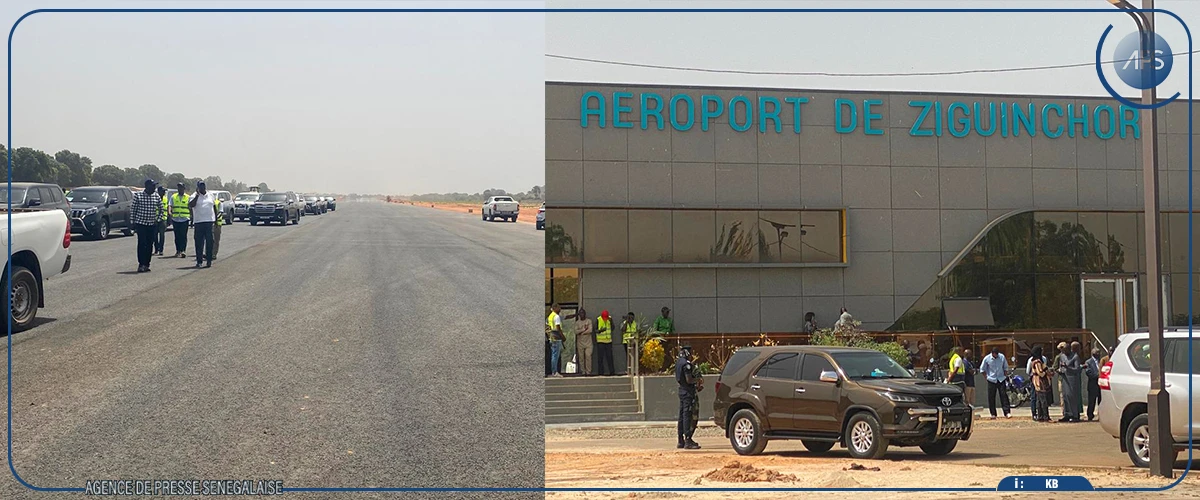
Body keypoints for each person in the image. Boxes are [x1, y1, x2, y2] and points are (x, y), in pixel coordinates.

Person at [129, 179, 162, 273]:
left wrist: (158, 219)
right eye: (153, 186)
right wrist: (132, 222)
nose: (154, 188)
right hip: (141, 224)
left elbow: (161, 209)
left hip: (152, 224)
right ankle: (141, 264)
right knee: (142, 244)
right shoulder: (138, 195)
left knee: (149, 244)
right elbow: (133, 209)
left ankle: (147, 264)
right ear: (147, 186)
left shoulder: (156, 196)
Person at [675, 344, 701, 450]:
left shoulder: (678, 363)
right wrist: (698, 380)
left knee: (681, 415)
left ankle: (680, 440)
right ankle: (688, 440)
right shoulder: (686, 364)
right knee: (687, 415)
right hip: (687, 392)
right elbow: (689, 380)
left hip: (681, 390)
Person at [188, 181, 218, 268]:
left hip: (209, 222)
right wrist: (197, 196)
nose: (202, 187)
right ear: (197, 187)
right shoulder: (193, 196)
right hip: (199, 222)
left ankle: (209, 260)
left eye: (203, 185)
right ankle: (199, 261)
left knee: (210, 242)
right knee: (199, 243)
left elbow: (214, 207)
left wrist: (216, 219)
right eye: (200, 186)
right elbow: (191, 205)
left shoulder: (210, 195)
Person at [980, 347, 1012, 419]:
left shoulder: (1002, 357)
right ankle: (993, 413)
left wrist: (1005, 375)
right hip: (991, 379)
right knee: (991, 397)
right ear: (992, 353)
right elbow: (982, 369)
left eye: (996, 354)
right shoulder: (987, 358)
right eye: (994, 354)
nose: (995, 355)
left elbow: (1005, 367)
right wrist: (986, 377)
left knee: (1004, 396)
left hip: (1001, 379)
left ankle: (1007, 412)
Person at [1056, 342, 1082, 423]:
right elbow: (1060, 366)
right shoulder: (1062, 356)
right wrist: (1060, 370)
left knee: (1072, 397)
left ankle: (1075, 415)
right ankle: (1067, 414)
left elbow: (1077, 369)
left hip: (1072, 379)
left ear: (1069, 349)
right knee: (1065, 396)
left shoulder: (1075, 356)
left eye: (1065, 350)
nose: (1064, 352)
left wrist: (1067, 367)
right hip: (1064, 378)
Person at [1029, 346, 1052, 422]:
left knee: (1039, 400)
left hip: (1036, 381)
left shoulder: (1034, 361)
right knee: (1043, 400)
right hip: (1040, 382)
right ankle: (1045, 416)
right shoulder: (1037, 362)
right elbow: (1040, 373)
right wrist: (1047, 373)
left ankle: (1040, 416)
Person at [168, 182, 191, 258]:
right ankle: (178, 250)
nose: (179, 189)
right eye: (178, 187)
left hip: (184, 219)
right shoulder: (173, 196)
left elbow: (191, 207)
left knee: (183, 236)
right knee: (177, 236)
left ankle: (183, 250)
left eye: (181, 187)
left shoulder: (188, 197)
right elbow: (170, 205)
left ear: (184, 188)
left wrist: (192, 216)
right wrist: (169, 212)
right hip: (176, 219)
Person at [574, 308, 594, 376]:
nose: (582, 315)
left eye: (583, 313)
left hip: (588, 343)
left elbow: (590, 330)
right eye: (580, 313)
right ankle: (583, 371)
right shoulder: (577, 323)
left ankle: (588, 371)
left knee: (588, 356)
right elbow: (576, 332)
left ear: (585, 314)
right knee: (581, 358)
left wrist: (582, 333)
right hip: (580, 343)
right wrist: (583, 329)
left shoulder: (589, 321)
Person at [546, 303, 565, 377]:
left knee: (553, 355)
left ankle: (553, 371)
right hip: (556, 337)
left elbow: (547, 327)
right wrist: (563, 337)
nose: (560, 309)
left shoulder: (550, 316)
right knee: (555, 356)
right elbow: (558, 328)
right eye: (559, 307)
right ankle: (555, 372)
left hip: (551, 337)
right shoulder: (556, 316)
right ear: (555, 308)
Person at [595, 310, 614, 376]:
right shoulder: (598, 319)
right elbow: (595, 330)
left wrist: (611, 322)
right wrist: (601, 330)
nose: (605, 319)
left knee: (610, 357)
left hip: (608, 341)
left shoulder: (610, 319)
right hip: (600, 341)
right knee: (600, 358)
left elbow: (613, 328)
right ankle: (601, 372)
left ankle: (612, 372)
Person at [1086, 348, 1103, 421]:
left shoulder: (1101, 361)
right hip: (1093, 384)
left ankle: (1101, 415)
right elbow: (1088, 372)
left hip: (1101, 384)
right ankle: (1090, 415)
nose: (1099, 354)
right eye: (1097, 353)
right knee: (1091, 401)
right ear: (1093, 354)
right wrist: (1098, 375)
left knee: (1101, 401)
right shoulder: (1088, 362)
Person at [154, 185, 168, 256]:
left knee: (162, 235)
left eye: (164, 191)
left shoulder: (165, 199)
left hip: (163, 219)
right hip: (155, 219)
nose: (164, 192)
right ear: (159, 191)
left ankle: (161, 250)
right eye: (162, 191)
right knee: (155, 235)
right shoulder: (155, 198)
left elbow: (167, 208)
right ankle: (156, 249)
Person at [211, 194, 225, 260]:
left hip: (217, 224)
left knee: (216, 239)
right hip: (209, 223)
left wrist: (215, 219)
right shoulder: (208, 203)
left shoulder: (219, 203)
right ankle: (208, 253)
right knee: (208, 239)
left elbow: (220, 213)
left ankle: (214, 254)